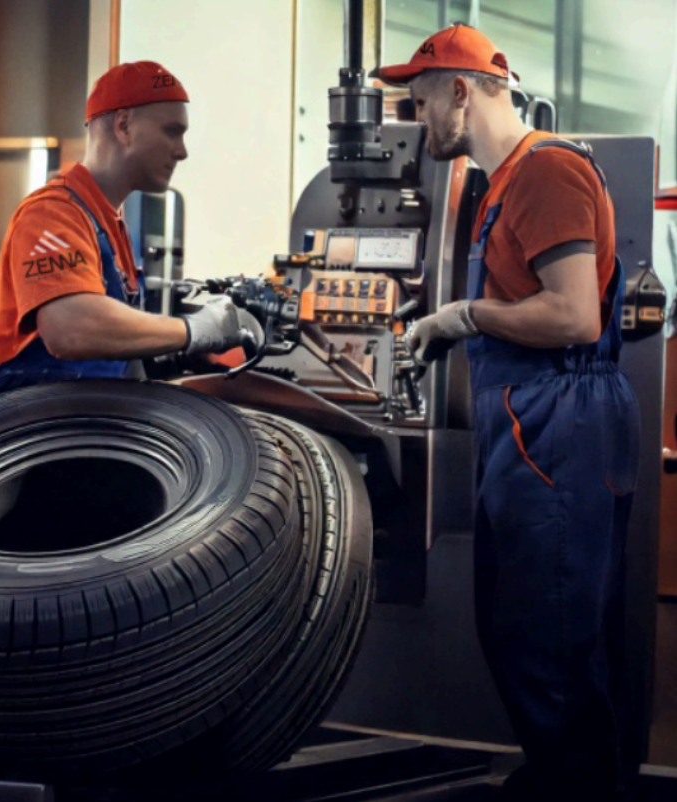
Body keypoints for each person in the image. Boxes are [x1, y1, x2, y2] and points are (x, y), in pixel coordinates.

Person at [374, 24, 640, 802]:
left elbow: (573, 316)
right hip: (533, 422)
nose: (418, 120)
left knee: (549, 639)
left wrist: (463, 317)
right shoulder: (504, 183)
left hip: (560, 422)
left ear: (461, 91)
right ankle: (562, 780)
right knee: (526, 630)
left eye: (421, 101)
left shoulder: (545, 172)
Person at [0, 61, 242, 427]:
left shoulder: (110, 225)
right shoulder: (53, 212)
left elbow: (118, 360)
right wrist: (196, 330)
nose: (181, 151)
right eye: (172, 132)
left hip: (51, 424)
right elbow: (70, 328)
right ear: (124, 126)